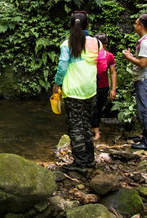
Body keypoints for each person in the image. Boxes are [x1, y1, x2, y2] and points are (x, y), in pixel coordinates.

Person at [53, 11, 99, 173]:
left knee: (75, 126)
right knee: (86, 124)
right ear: (87, 25)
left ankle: (80, 163)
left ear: (71, 25)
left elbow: (63, 66)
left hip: (73, 91)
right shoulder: (96, 43)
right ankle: (90, 159)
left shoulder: (68, 44)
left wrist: (57, 83)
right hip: (91, 90)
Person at [122, 14, 147, 150]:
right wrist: (133, 57)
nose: (135, 26)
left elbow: (143, 63)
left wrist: (128, 58)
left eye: (136, 24)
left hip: (146, 80)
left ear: (142, 26)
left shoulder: (146, 42)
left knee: (146, 112)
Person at [92, 33, 117, 140]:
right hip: (91, 86)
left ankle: (95, 130)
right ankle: (96, 131)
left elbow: (113, 72)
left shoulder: (109, 56)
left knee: (97, 109)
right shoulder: (89, 55)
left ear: (105, 45)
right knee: (93, 109)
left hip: (103, 86)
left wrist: (113, 89)